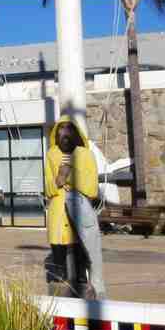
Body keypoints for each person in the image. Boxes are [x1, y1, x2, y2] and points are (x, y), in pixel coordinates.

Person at [45, 115, 106, 300]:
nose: (64, 135)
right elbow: (48, 186)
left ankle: (82, 280)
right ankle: (59, 279)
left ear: (75, 132)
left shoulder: (86, 155)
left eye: (68, 130)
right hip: (58, 208)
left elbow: (92, 188)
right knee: (58, 246)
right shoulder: (51, 154)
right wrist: (57, 181)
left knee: (81, 246)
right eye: (60, 130)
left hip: (79, 207)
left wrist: (68, 176)